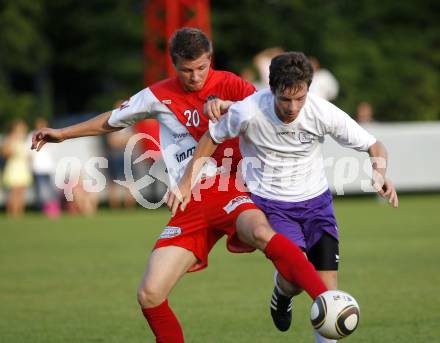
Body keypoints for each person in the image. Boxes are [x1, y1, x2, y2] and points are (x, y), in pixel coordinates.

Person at [32, 29, 328, 342]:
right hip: (189, 201)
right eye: (187, 70)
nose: (196, 77)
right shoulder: (158, 95)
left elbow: (269, 109)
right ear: (174, 64)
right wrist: (63, 134)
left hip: (232, 186)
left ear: (210, 59)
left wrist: (227, 105)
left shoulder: (231, 84)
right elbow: (112, 120)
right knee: (149, 293)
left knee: (260, 233)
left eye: (201, 68)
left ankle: (327, 301)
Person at [174, 51, 398, 343]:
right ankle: (282, 293)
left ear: (308, 89)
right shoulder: (249, 110)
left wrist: (379, 173)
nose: (293, 107)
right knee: (295, 280)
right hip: (273, 206)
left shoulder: (321, 110)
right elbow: (211, 138)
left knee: (328, 292)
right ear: (272, 89)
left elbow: (373, 144)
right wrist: (186, 181)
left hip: (318, 206)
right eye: (285, 99)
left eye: (300, 98)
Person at [29, 117, 61, 218]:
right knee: (41, 191)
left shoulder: (51, 135)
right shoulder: (32, 135)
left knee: (50, 190)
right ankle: (43, 210)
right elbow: (29, 151)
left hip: (48, 167)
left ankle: (53, 210)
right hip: (37, 167)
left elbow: (55, 151)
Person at [2, 119, 32, 217]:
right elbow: (5, 153)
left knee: (21, 192)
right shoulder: (10, 138)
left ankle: (19, 214)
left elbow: (29, 155)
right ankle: (12, 213)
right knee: (14, 192)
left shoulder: (25, 139)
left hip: (23, 167)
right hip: (14, 167)